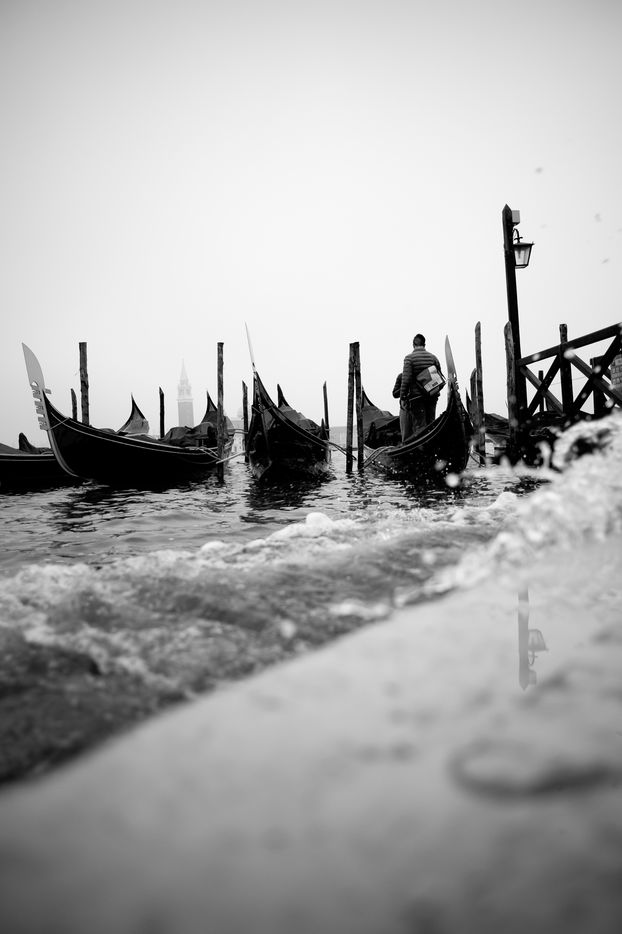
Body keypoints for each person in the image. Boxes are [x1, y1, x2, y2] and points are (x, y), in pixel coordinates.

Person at [399, 333, 444, 441]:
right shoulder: (433, 358)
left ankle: (422, 448)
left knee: (420, 426)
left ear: (413, 345)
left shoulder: (409, 358)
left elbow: (406, 380)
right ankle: (432, 447)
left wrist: (402, 396)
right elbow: (439, 377)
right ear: (424, 344)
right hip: (432, 396)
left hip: (416, 398)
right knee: (431, 423)